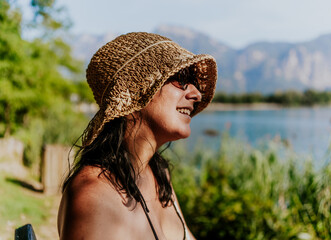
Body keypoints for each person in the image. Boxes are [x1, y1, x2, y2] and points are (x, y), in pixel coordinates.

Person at [57, 32, 217, 240]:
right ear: (137, 92)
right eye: (182, 79)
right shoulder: (94, 196)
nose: (196, 95)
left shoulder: (159, 177)